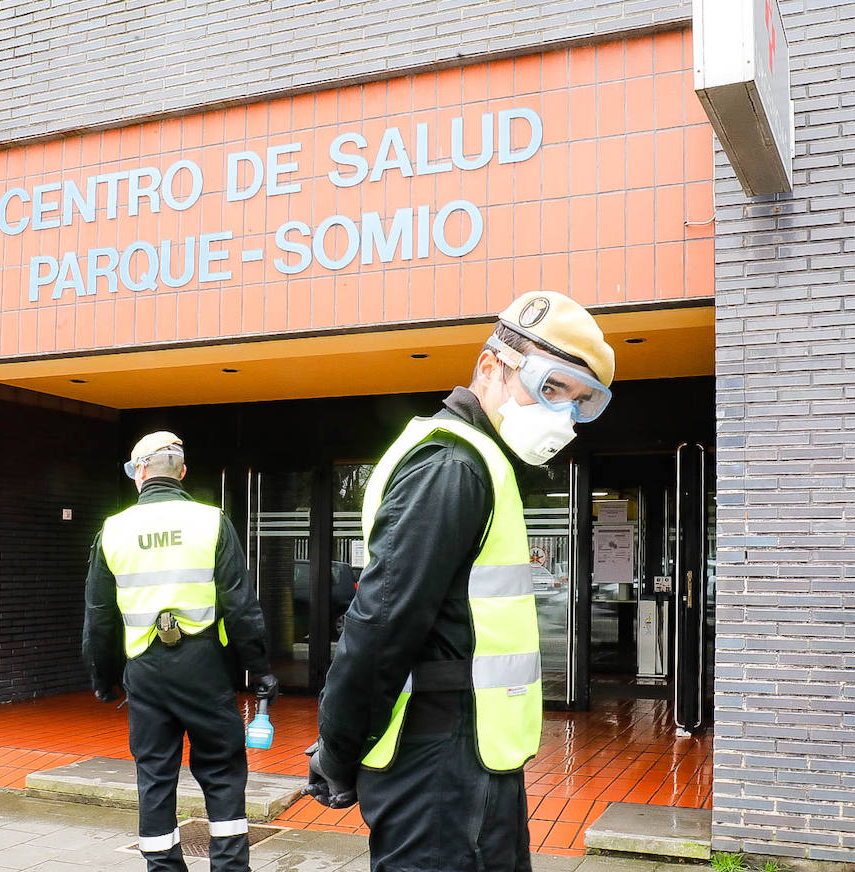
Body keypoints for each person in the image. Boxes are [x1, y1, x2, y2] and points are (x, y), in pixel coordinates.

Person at [306, 292, 615, 871]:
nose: (563, 415)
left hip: (469, 758)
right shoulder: (452, 466)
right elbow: (382, 621)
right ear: (490, 366)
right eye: (550, 388)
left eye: (581, 401)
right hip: (439, 766)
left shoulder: (478, 462)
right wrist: (338, 747)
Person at [85, 431, 280, 872]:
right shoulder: (211, 522)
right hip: (204, 666)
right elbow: (241, 604)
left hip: (145, 669)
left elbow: (99, 615)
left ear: (141, 472)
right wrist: (260, 669)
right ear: (182, 472)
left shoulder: (113, 530)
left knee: (155, 775)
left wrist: (103, 676)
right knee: (223, 770)